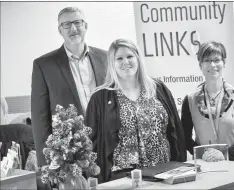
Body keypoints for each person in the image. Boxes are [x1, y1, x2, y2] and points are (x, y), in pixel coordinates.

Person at [85, 39, 187, 183]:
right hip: (122, 178)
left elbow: (176, 130)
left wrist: (181, 165)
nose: (125, 62)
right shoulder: (99, 98)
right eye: (119, 58)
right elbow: (90, 143)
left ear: (138, 58)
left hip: (163, 171)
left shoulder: (158, 89)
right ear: (112, 64)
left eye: (129, 56)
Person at [31, 7, 107, 167]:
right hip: (69, 153)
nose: (73, 28)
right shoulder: (44, 65)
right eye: (66, 24)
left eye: (77, 22)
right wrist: (46, 163)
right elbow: (40, 117)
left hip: (106, 143)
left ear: (86, 26)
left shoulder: (105, 58)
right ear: (60, 30)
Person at [181, 41, 234, 162]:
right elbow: (184, 137)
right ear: (200, 65)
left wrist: (226, 155)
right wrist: (203, 155)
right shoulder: (190, 100)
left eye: (216, 60)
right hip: (204, 166)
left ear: (224, 63)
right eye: (207, 60)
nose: (212, 65)